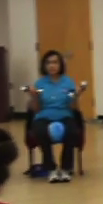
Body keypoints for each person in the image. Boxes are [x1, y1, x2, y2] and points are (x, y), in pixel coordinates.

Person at [29, 50, 82, 183]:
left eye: (55, 62)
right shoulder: (40, 83)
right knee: (40, 131)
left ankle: (66, 168)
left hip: (64, 114)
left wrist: (76, 96)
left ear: (60, 65)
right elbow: (36, 109)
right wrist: (34, 96)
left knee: (72, 131)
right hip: (44, 116)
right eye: (48, 63)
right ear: (44, 65)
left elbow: (73, 108)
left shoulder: (68, 82)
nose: (52, 66)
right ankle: (50, 168)